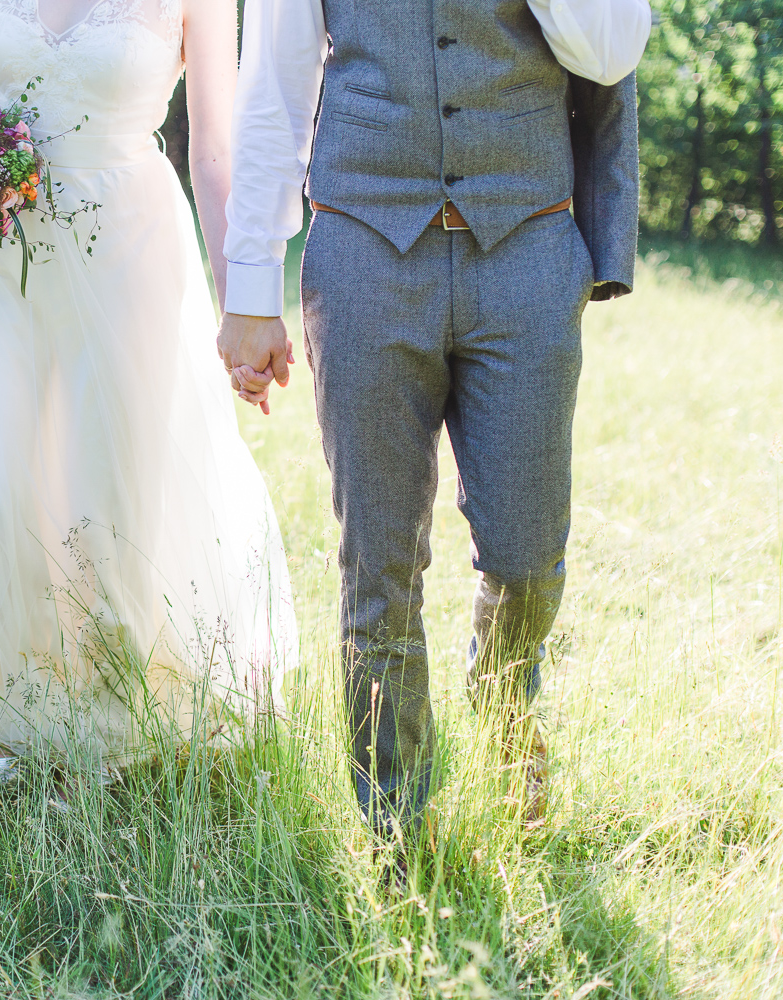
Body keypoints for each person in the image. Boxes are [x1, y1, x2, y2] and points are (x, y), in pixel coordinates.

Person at [217, 0, 649, 842]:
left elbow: (611, 49)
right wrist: (250, 290)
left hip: (525, 248)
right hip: (364, 252)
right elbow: (273, 87)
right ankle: (395, 821)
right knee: (377, 562)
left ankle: (502, 721)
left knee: (527, 558)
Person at [0, 0, 297, 778]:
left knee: (105, 498)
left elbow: (215, 152)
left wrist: (244, 307)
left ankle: (106, 726)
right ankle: (23, 711)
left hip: (127, 249)